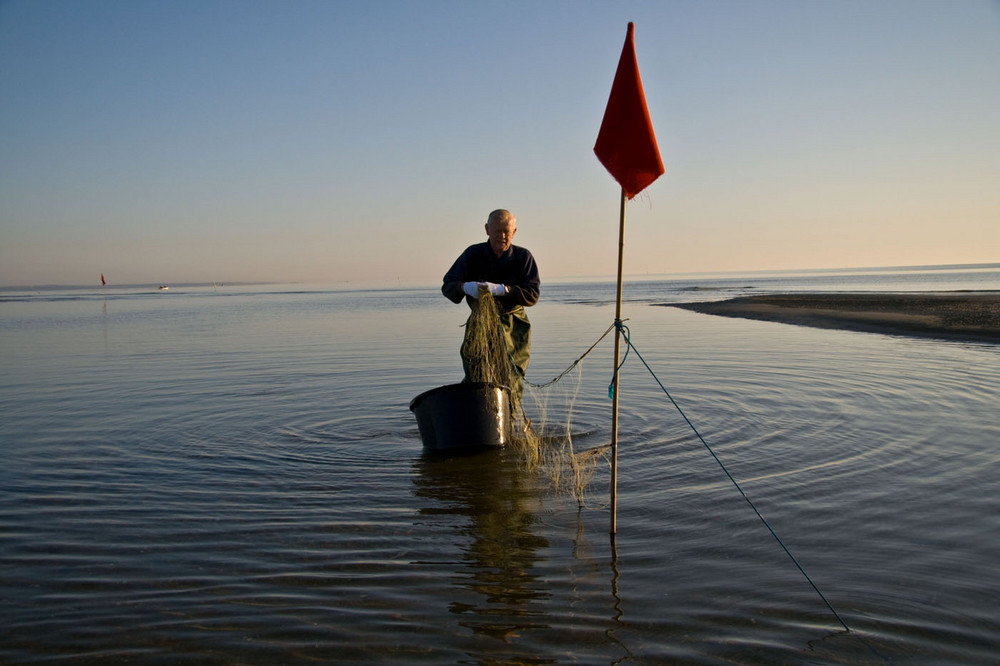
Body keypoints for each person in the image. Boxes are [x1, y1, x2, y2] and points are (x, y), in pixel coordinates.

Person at [442, 209, 540, 396]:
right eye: (497, 231)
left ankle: (508, 420)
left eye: (507, 232)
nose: (502, 236)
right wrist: (465, 287)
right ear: (487, 229)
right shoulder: (472, 254)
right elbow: (448, 285)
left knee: (511, 376)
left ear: (514, 232)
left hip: (513, 326)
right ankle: (479, 419)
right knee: (476, 372)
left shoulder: (523, 257)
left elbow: (533, 294)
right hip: (480, 324)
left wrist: (504, 290)